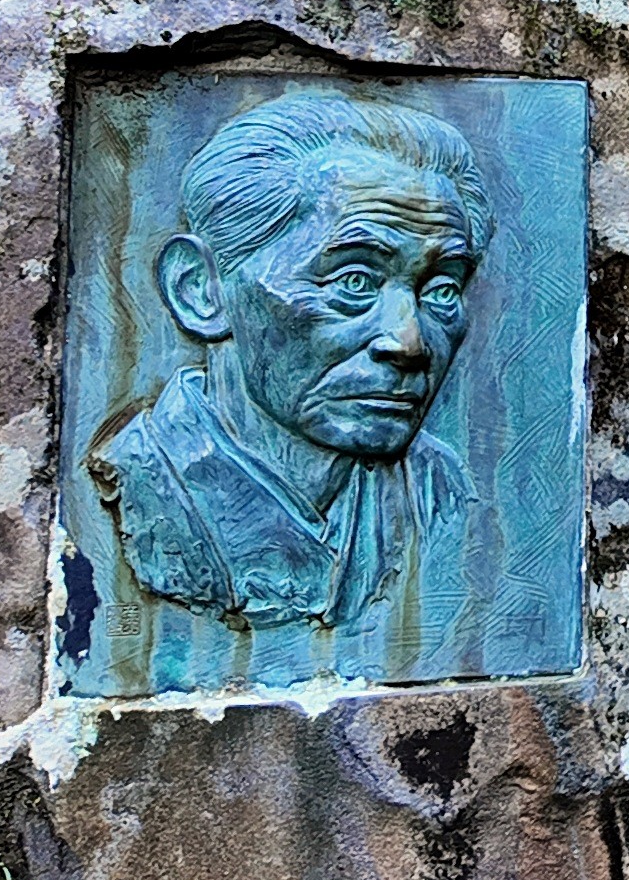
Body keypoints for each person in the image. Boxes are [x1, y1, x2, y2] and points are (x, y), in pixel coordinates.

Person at [89, 91, 494, 631]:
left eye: (442, 289)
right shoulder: (140, 481)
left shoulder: (438, 487)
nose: (410, 341)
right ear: (201, 291)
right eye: (354, 281)